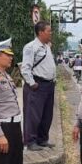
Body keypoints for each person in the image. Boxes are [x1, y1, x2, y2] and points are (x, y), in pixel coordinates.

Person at [21, 21, 57, 151]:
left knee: (46, 114)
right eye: (49, 31)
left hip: (49, 85)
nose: (51, 33)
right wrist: (32, 83)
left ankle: (42, 139)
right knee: (33, 115)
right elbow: (25, 68)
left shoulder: (47, 47)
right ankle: (30, 141)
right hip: (37, 84)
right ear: (41, 32)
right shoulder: (31, 47)